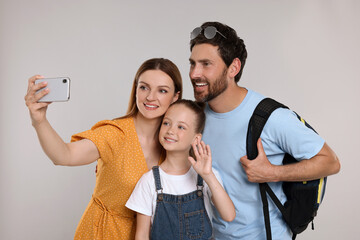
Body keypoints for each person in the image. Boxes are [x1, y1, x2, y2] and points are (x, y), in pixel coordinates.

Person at [188, 22, 341, 240]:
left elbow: (331, 162)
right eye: (192, 63)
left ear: (234, 68)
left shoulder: (271, 117)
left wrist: (272, 173)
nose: (195, 73)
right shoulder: (196, 116)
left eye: (206, 64)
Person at [24, 58, 182, 240]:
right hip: (102, 233)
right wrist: (39, 120)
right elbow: (64, 155)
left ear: (175, 97)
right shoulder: (115, 134)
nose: (150, 97)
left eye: (162, 90)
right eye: (144, 87)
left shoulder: (174, 144)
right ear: (135, 89)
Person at [125, 99, 236, 240]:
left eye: (181, 127)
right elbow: (141, 235)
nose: (170, 130)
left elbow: (229, 215)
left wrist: (208, 175)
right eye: (166, 123)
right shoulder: (149, 181)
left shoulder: (207, 176)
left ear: (196, 139)